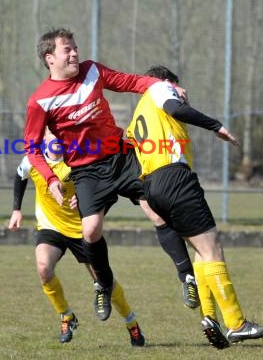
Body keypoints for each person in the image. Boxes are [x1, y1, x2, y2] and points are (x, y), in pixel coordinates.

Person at [23, 27, 197, 322]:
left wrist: (164, 87)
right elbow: (32, 147)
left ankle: (188, 278)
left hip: (121, 156)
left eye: (75, 46)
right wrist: (51, 179)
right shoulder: (40, 101)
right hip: (87, 172)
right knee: (90, 231)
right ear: (50, 58)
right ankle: (103, 284)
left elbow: (131, 82)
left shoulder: (92, 71)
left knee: (156, 209)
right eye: (67, 49)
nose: (75, 52)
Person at [126, 65, 263, 349]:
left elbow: (132, 159)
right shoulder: (158, 88)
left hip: (154, 185)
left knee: (200, 251)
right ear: (168, 82)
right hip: (175, 178)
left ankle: (211, 319)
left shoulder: (139, 117)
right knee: (212, 249)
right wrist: (216, 125)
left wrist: (144, 198)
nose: (184, 94)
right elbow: (176, 108)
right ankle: (237, 324)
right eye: (182, 88)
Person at [9, 130, 145, 346]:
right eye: (51, 133)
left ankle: (131, 323)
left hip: (82, 230)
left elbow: (109, 192)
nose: (57, 137)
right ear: (44, 137)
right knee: (44, 268)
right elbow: (20, 175)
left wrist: (86, 201)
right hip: (51, 226)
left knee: (104, 282)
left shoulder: (81, 160)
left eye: (60, 133)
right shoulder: (33, 160)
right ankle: (66, 316)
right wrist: (16, 209)